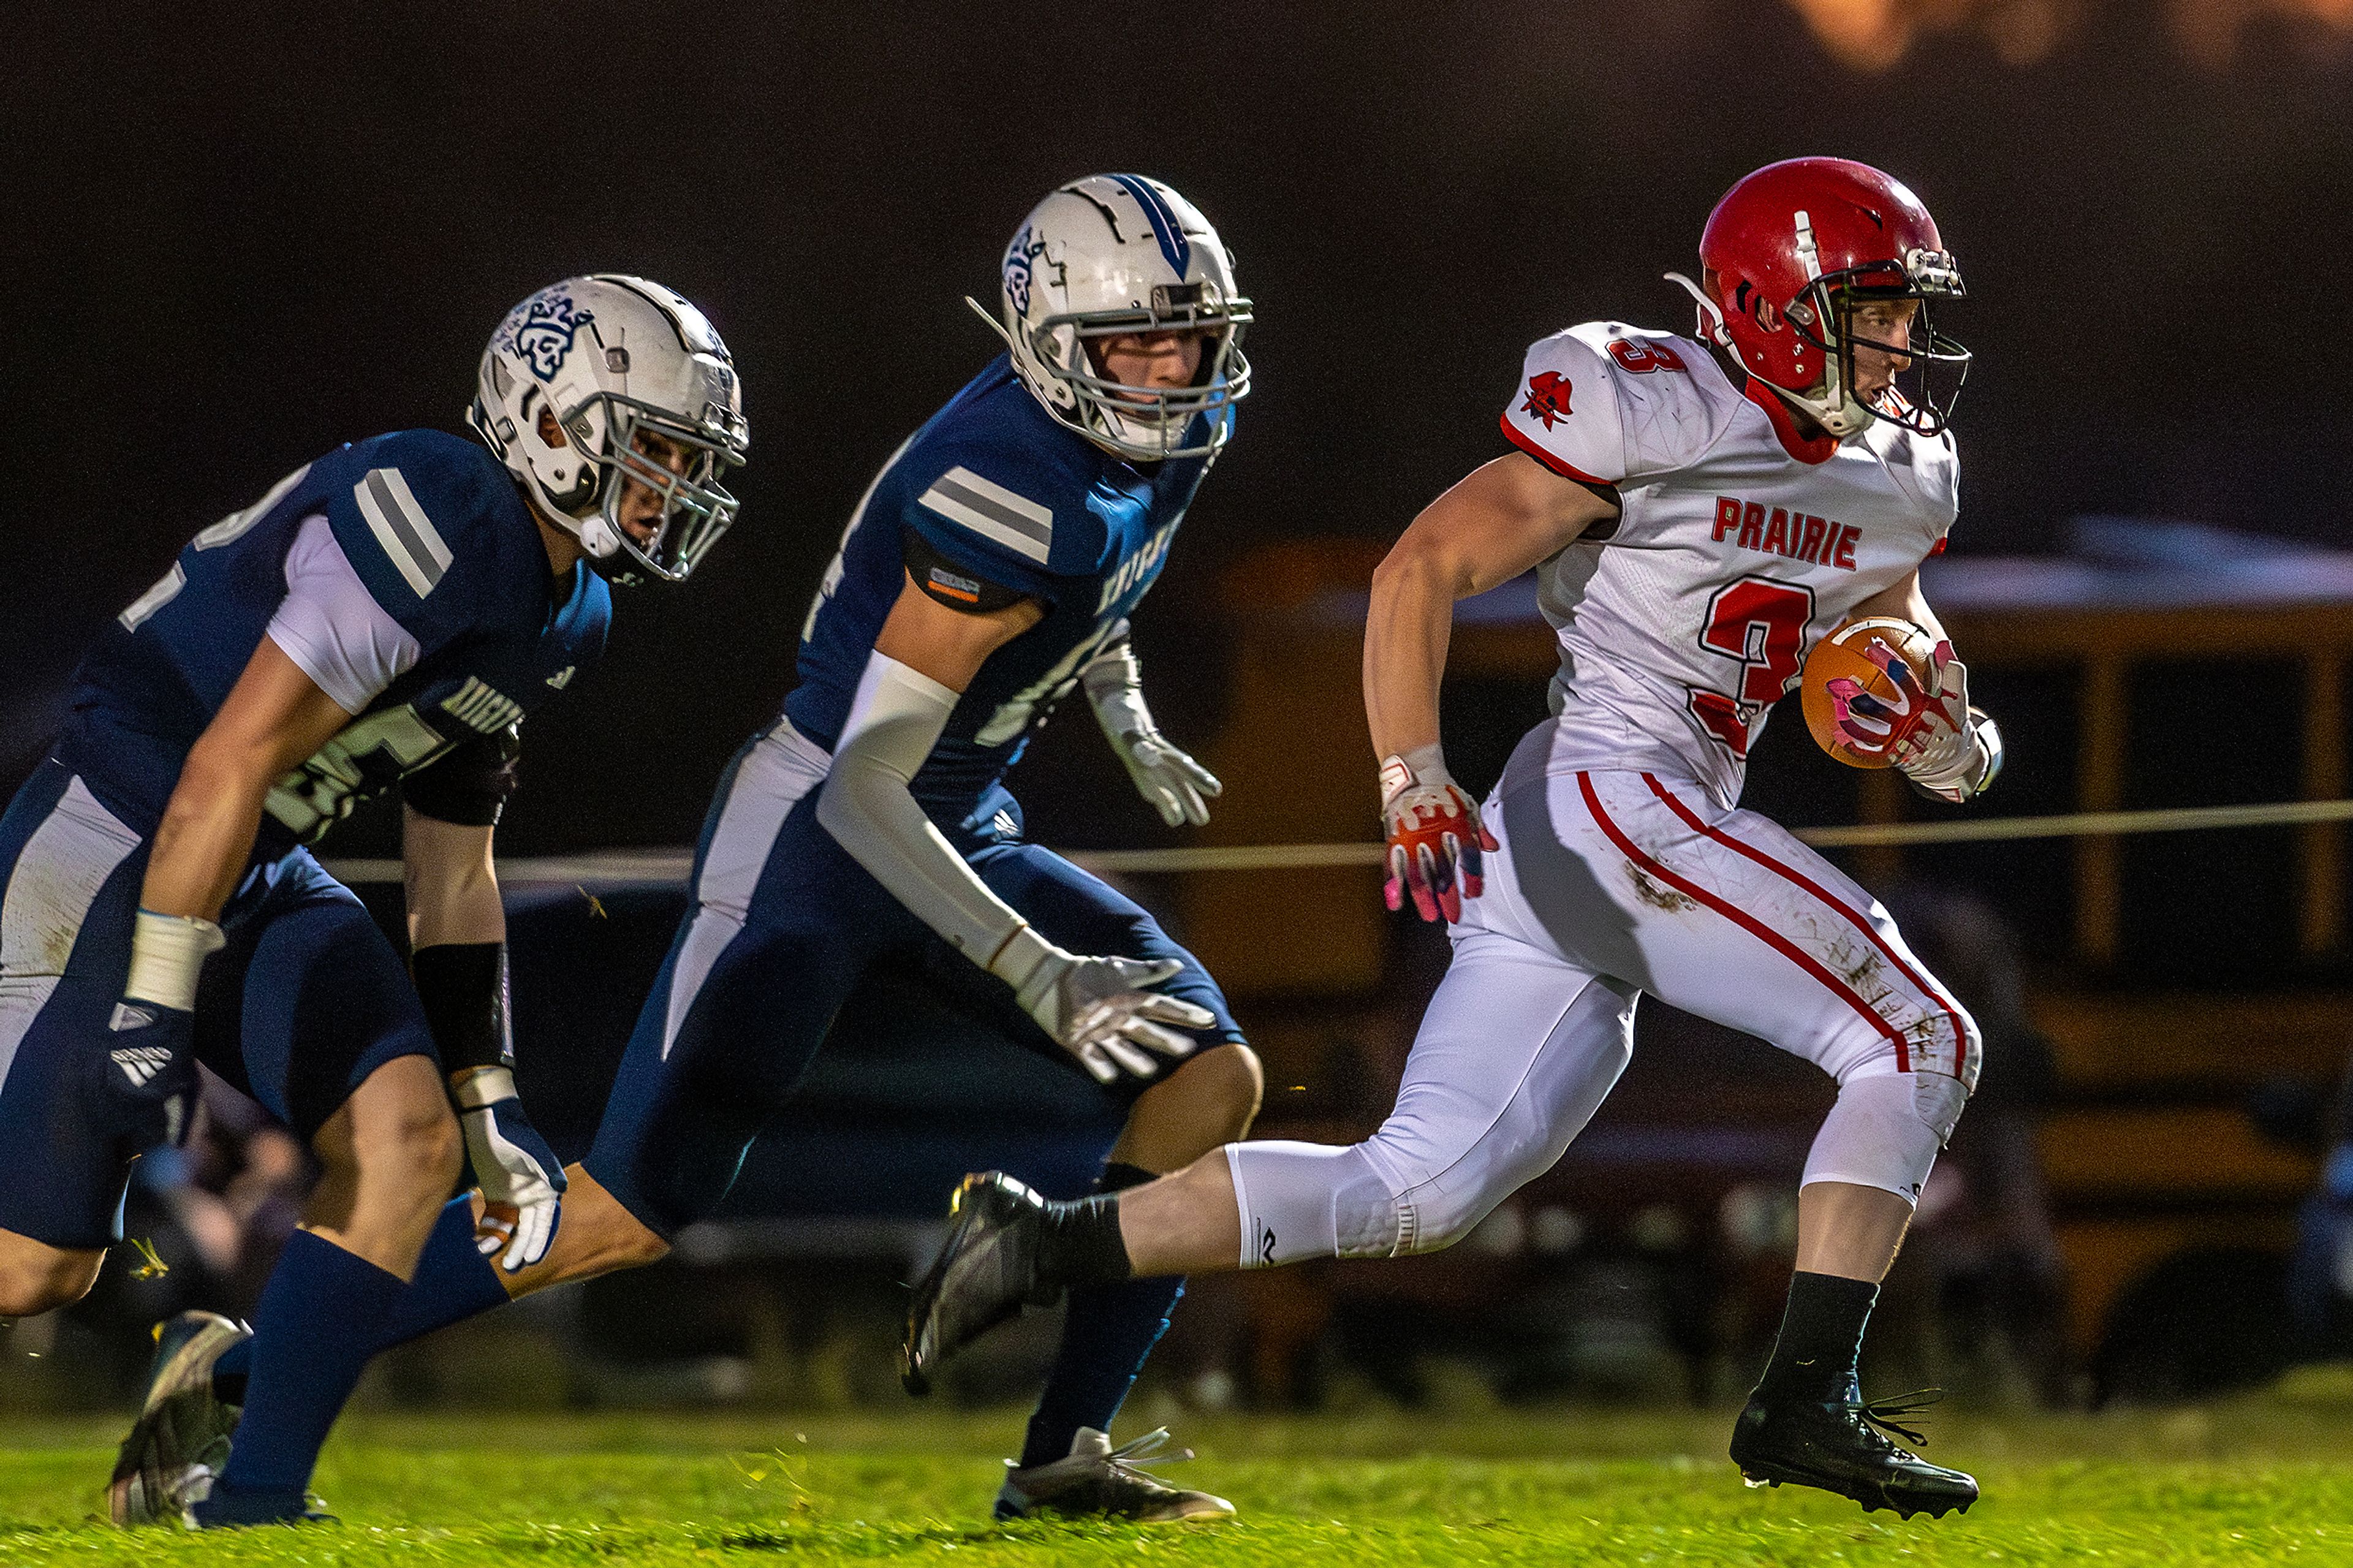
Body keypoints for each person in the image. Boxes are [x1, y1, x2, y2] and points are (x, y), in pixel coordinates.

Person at [124, 174, 1263, 1526]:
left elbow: (1102, 585)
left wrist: (1124, 715)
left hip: (964, 816)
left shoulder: (1173, 426)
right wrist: (1040, 967)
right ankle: (246, 1372)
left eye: (1185, 338)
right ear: (1045, 339)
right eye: (1132, 344)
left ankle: (1060, 1454)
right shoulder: (999, 485)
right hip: (826, 835)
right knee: (618, 1211)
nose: (1166, 370)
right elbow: (865, 791)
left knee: (1211, 1078)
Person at [904, 157, 2004, 1522]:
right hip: (1613, 791)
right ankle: (1805, 1396)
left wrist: (1948, 730)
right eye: (1876, 308)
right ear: (1774, 308)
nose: (1905, 341)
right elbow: (1419, 565)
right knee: (1918, 1036)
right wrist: (1408, 772)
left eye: (1909, 309)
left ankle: (1037, 1242)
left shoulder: (1899, 472)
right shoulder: (1652, 402)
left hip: (1595, 832)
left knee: (1413, 1188)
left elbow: (1890, 629)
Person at [68, 275, 749, 1525]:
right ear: (553, 420)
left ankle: (251, 1498)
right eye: (651, 451)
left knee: (410, 1139)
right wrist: (153, 1005)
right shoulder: (442, 512)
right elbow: (229, 762)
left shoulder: (569, 608)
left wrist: (491, 1101)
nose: (671, 491)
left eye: (685, 461)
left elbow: (452, 852)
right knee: (33, 1259)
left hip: (256, 867)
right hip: (120, 832)